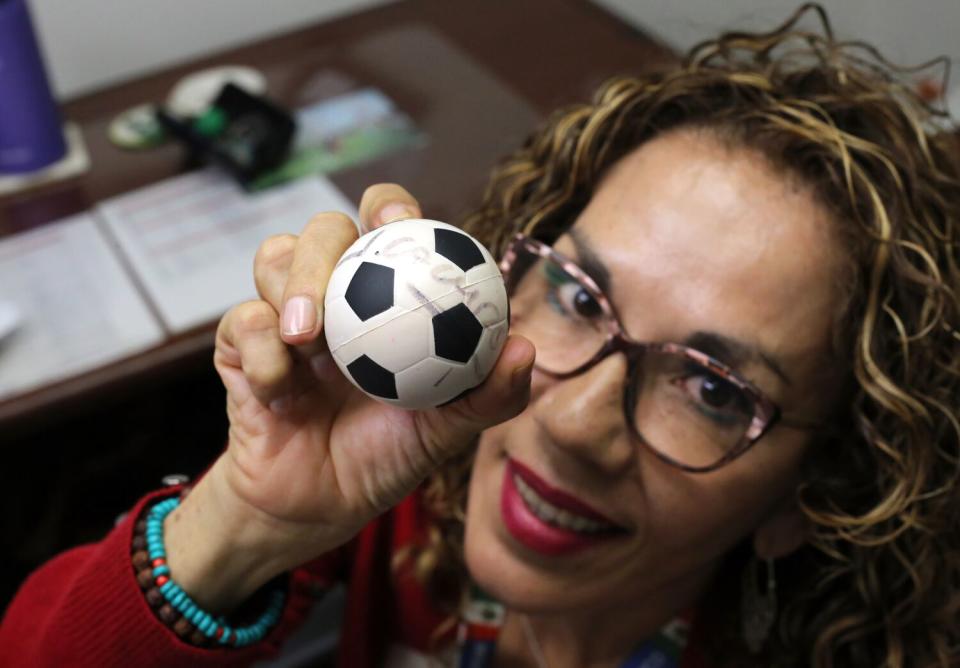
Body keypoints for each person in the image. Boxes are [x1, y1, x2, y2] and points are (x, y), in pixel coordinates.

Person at [2, 5, 958, 667]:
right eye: (580, 294)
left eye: (714, 387)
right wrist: (245, 525)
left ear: (818, 492)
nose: (576, 423)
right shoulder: (399, 490)